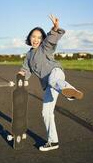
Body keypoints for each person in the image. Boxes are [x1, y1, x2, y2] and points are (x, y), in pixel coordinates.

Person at [18, 14, 83, 151]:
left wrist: (55, 28)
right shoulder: (28, 56)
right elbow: (25, 71)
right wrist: (20, 76)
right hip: (49, 85)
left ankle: (70, 91)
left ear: (42, 39)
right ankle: (53, 142)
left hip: (56, 73)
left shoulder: (44, 48)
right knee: (46, 112)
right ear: (29, 38)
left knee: (54, 80)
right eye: (33, 37)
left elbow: (51, 40)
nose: (36, 39)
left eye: (39, 37)